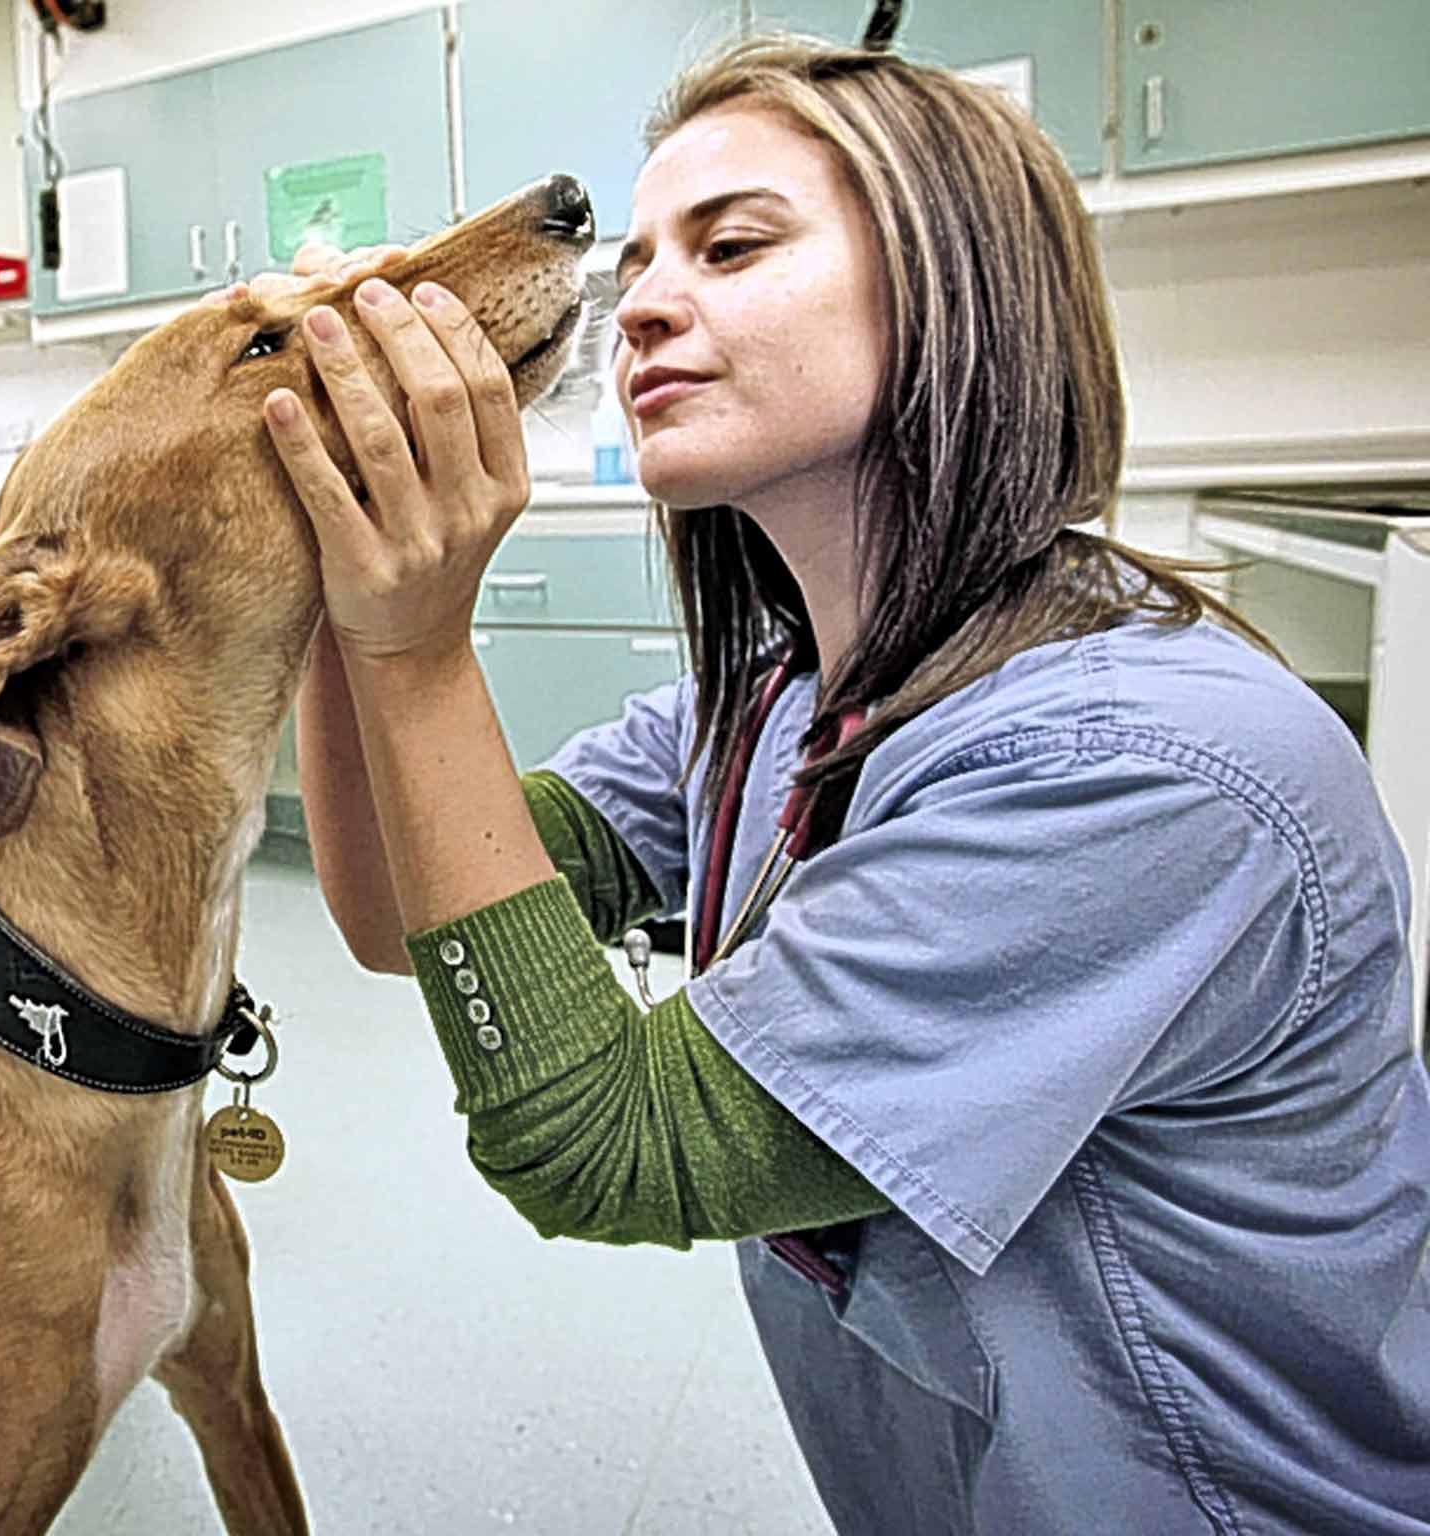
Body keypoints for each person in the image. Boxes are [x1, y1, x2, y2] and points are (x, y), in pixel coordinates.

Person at [263, 32, 1430, 1536]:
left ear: (957, 286)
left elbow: (611, 1144)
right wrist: (331, 600)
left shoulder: (1137, 765)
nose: (644, 306)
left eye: (734, 245)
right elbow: (395, 910)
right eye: (638, 264)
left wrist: (418, 648)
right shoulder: (786, 693)